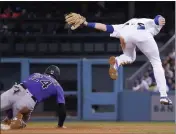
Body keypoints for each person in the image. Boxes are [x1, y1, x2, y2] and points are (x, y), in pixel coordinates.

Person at [65, 13, 172, 105]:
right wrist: (160, 19)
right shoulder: (149, 22)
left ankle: (117, 61)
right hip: (143, 34)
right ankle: (163, 96)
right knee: (156, 63)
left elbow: (105, 27)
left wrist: (86, 23)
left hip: (125, 34)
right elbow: (158, 19)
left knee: (130, 56)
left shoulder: (125, 25)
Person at [0, 65, 66, 130]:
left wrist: (9, 115)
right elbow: (61, 108)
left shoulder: (36, 74)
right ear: (57, 75)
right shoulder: (57, 86)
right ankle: (18, 117)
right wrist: (60, 125)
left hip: (16, 90)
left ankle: (8, 119)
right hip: (28, 100)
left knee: (11, 104)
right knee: (20, 122)